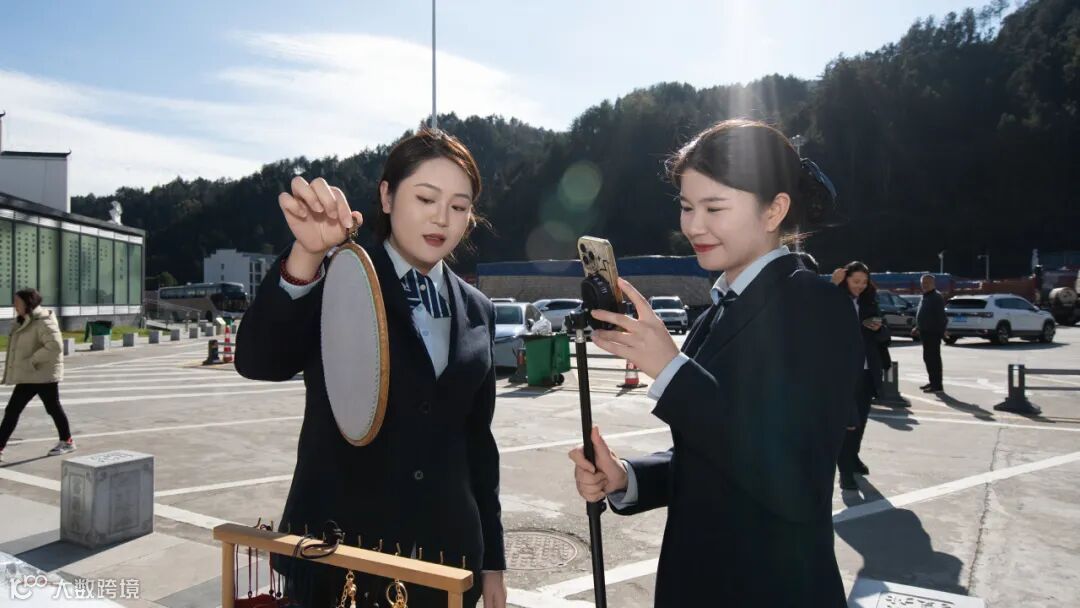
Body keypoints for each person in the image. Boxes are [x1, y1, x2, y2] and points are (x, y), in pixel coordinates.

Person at [568, 120, 861, 606]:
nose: (693, 226)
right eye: (687, 207)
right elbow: (710, 457)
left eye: (714, 208)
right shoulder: (719, 310)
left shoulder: (816, 305)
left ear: (774, 210)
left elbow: (795, 479)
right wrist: (628, 477)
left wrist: (671, 370)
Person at [236, 129, 506, 608]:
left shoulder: (478, 308)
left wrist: (492, 563)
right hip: (339, 559)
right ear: (386, 195)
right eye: (426, 198)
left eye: (459, 206)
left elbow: (478, 445)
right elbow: (259, 360)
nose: (441, 218)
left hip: (446, 565)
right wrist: (307, 254)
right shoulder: (341, 275)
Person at [0, 288, 74, 462]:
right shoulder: (24, 320)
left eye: (17, 302)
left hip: (43, 375)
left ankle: (67, 441)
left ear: (28, 303)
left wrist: (32, 361)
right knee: (13, 411)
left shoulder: (43, 321)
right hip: (30, 375)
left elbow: (55, 346)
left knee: (52, 408)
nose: (14, 305)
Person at [833, 261, 887, 490]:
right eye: (856, 281)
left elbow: (885, 336)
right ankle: (845, 471)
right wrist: (832, 286)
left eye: (864, 282)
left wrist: (879, 328)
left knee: (861, 421)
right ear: (845, 279)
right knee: (847, 424)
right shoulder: (835, 299)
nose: (860, 286)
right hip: (843, 373)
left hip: (866, 371)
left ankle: (853, 458)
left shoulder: (869, 301)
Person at [915, 274, 947, 392]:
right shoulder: (925, 296)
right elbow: (923, 315)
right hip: (925, 332)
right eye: (923, 283)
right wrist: (917, 327)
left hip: (933, 333)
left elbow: (941, 317)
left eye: (927, 283)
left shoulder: (936, 297)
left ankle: (937, 385)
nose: (925, 285)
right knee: (928, 358)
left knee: (933, 359)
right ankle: (932, 382)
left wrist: (941, 331)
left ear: (933, 283)